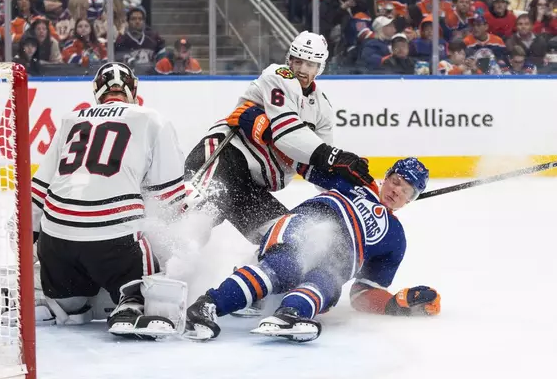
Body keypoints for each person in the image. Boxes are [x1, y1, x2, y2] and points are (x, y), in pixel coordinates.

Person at [184, 158, 441, 342]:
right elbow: (303, 159)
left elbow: (362, 293)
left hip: (339, 258)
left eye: (406, 190)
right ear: (386, 176)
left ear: (411, 200)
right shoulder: (355, 181)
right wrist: (337, 159)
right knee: (284, 268)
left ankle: (290, 314)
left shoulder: (396, 239)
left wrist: (393, 305)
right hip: (305, 225)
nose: (396, 191)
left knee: (327, 283)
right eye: (395, 181)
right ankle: (208, 305)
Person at [30, 62, 186, 339]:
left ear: (96, 91)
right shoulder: (152, 118)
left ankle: (63, 303)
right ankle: (132, 299)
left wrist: (33, 242)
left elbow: (37, 193)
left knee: (71, 301)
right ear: (133, 89)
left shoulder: (71, 119)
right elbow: (168, 200)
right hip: (115, 245)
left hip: (56, 244)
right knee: (150, 240)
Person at [184, 31, 374, 248]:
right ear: (289, 60)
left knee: (290, 241)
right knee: (193, 212)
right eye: (298, 61)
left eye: (310, 64)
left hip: (252, 185)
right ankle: (157, 267)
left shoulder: (322, 109)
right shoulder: (279, 76)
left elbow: (317, 164)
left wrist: (359, 192)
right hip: (226, 158)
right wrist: (334, 156)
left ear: (319, 68)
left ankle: (255, 279)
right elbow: (288, 134)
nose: (302, 69)